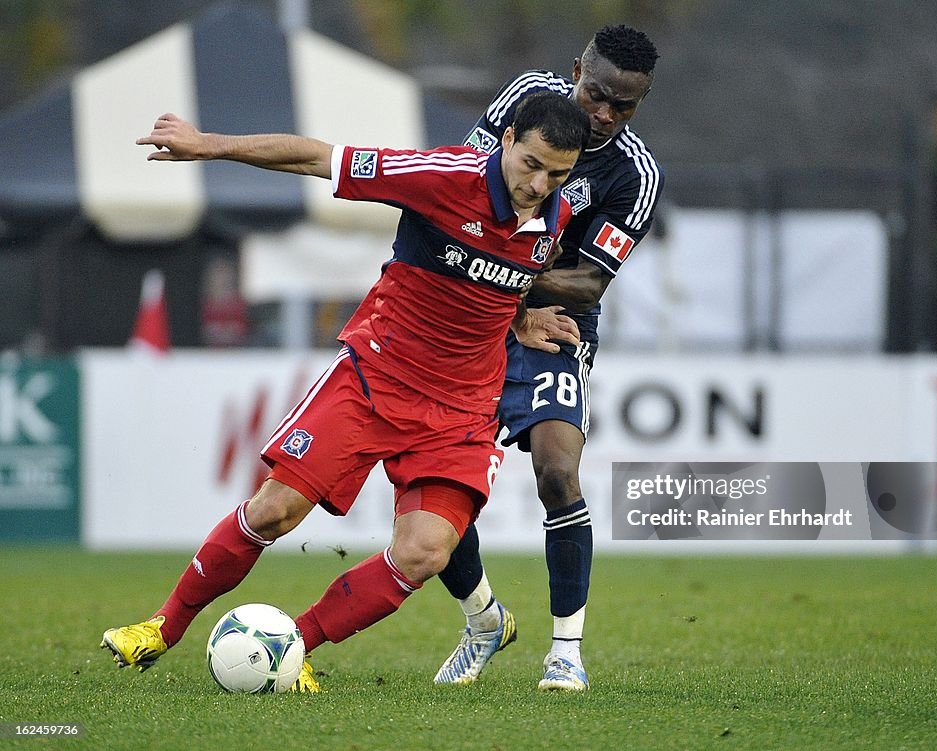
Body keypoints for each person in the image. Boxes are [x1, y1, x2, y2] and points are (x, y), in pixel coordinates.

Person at [100, 90, 591, 693]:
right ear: (509, 140)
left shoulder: (556, 215)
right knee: (273, 511)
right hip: (374, 379)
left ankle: (293, 646)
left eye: (558, 174)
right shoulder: (443, 176)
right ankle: (161, 626)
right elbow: (316, 158)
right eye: (532, 164)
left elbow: (504, 280)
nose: (540, 184)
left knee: (425, 553)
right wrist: (208, 145)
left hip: (461, 409)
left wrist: (521, 319)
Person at [433, 24, 663, 692]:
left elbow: (590, 281)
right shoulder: (526, 98)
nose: (604, 115)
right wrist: (499, 282)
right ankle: (483, 620)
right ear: (575, 71)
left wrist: (508, 275)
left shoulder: (636, 173)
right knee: (438, 489)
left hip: (558, 322)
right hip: (471, 310)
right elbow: (461, 194)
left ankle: (566, 651)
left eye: (624, 107)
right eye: (597, 95)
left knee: (558, 469)